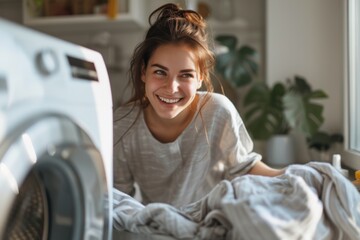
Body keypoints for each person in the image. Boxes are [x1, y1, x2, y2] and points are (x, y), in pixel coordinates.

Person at [113, 3, 284, 208]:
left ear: (201, 77)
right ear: (143, 72)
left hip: (215, 223)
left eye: (185, 75)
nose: (171, 87)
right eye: (160, 72)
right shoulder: (122, 124)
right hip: (159, 229)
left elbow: (244, 168)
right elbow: (118, 198)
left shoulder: (217, 111)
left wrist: (299, 176)